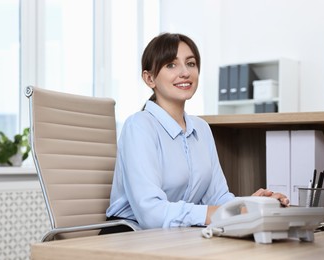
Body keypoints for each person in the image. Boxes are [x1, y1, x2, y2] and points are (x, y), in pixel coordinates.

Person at [103, 32, 289, 234]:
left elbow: (218, 198)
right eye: (171, 65)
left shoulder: (201, 128)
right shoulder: (139, 126)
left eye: (190, 63)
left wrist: (252, 205)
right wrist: (234, 212)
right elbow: (152, 214)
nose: (185, 72)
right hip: (130, 234)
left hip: (177, 234)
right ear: (149, 78)